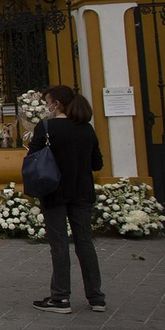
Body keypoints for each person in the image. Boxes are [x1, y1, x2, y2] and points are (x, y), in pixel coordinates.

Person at [29, 84, 106, 314]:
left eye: (48, 102)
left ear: (57, 104)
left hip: (54, 191)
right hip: (82, 191)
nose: (47, 106)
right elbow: (97, 164)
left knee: (59, 244)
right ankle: (96, 297)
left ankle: (60, 297)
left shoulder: (46, 127)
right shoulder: (86, 129)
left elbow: (33, 157)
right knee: (85, 243)